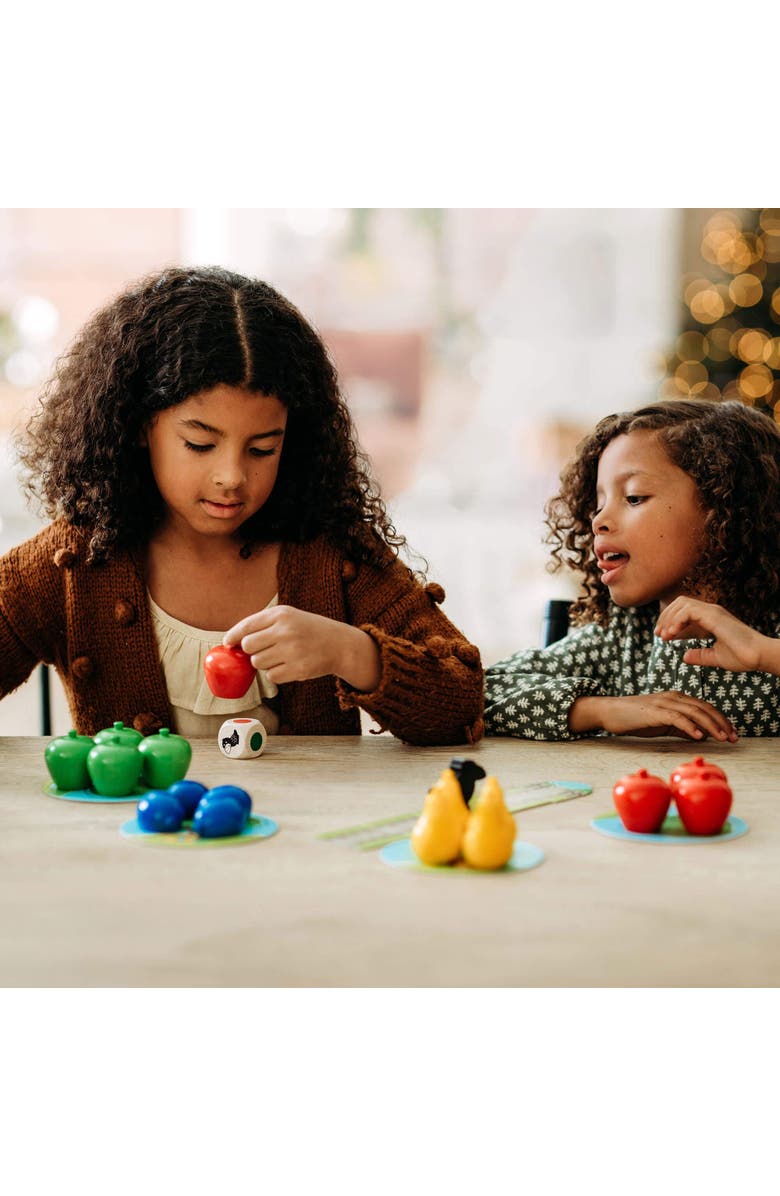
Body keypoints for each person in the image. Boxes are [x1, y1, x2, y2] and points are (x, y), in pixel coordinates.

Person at [0, 266, 483, 745]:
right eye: (199, 444)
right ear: (140, 427)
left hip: (310, 823)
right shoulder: (74, 560)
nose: (231, 476)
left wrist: (352, 653)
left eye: (262, 449)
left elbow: (461, 701)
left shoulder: (332, 552)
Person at [484, 398, 780, 740]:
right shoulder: (619, 638)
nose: (599, 521)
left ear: (725, 506)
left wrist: (763, 653)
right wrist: (602, 710)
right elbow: (474, 693)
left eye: (634, 497)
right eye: (598, 505)